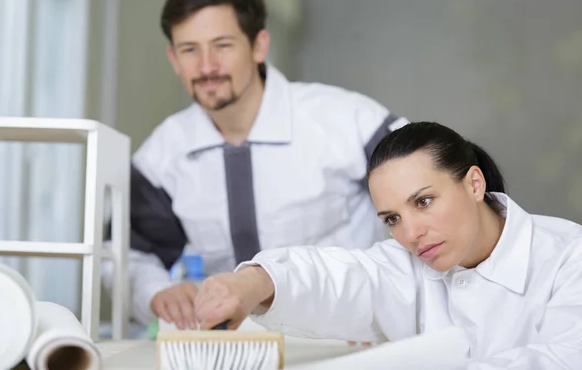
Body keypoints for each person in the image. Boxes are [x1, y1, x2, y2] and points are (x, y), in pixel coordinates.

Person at [101, 0, 408, 328]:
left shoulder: (348, 122)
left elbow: (433, 192)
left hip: (348, 342)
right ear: (173, 58)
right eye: (190, 50)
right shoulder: (164, 155)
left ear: (259, 46)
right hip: (233, 350)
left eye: (223, 45)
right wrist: (155, 292)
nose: (206, 66)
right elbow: (123, 252)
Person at [193, 121, 582, 368]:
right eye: (392, 219)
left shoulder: (568, 256)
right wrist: (253, 283)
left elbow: (563, 360)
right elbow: (339, 279)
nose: (411, 234)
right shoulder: (411, 263)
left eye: (424, 202)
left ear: (474, 184)